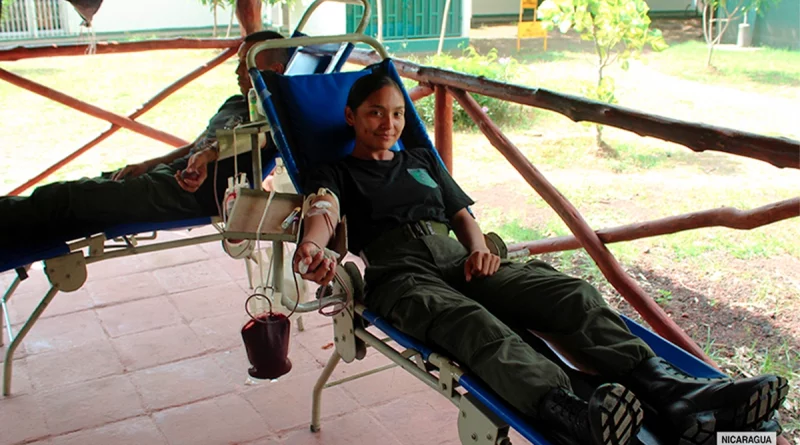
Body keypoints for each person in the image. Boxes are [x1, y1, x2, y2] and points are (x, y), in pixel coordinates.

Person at [293, 72, 789, 445]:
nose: (389, 123)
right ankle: (568, 412)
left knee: (568, 294)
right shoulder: (336, 170)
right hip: (400, 274)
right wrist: (314, 246)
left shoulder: (420, 161)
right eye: (376, 112)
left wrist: (481, 250)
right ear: (351, 116)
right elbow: (323, 208)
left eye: (398, 112)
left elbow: (462, 215)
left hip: (459, 259)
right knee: (472, 323)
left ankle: (673, 391)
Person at [0, 31, 289, 249]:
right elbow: (194, 146)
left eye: (246, 65)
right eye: (239, 64)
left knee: (70, 199)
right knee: (83, 197)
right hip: (163, 178)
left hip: (190, 196)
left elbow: (256, 139)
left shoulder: (276, 116)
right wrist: (147, 164)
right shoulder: (234, 102)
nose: (238, 72)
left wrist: (209, 156)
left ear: (274, 71)